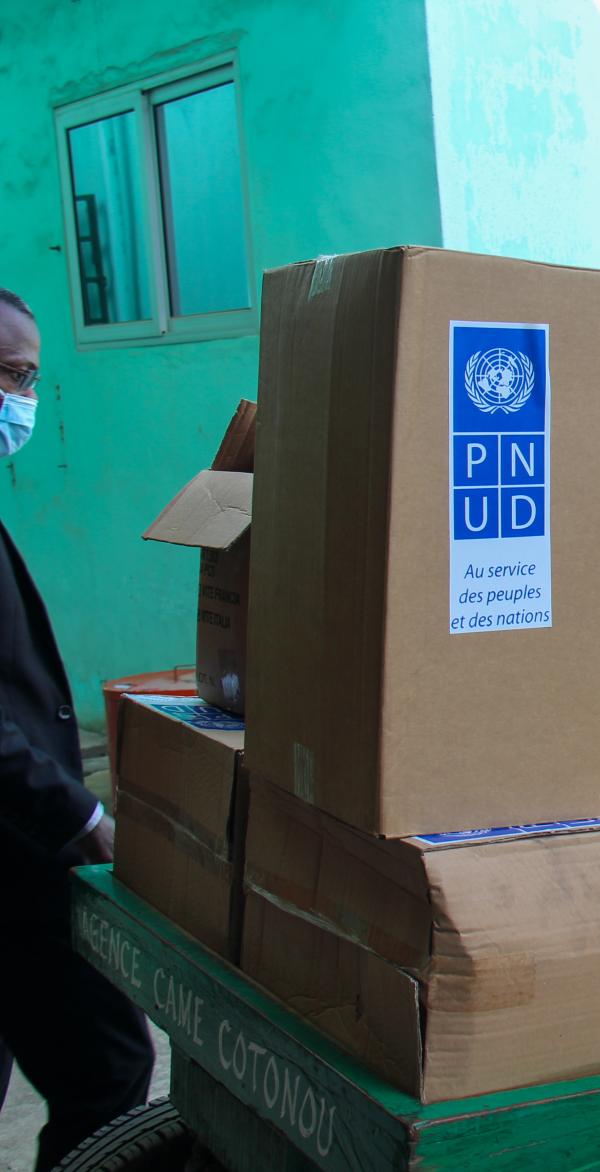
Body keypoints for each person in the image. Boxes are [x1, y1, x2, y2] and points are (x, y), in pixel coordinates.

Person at [0, 288, 154, 1170]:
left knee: (102, 1062)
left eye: (31, 381)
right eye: (13, 376)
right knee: (108, 1065)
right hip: (20, 854)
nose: (23, 404)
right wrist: (81, 818)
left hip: (20, 861)